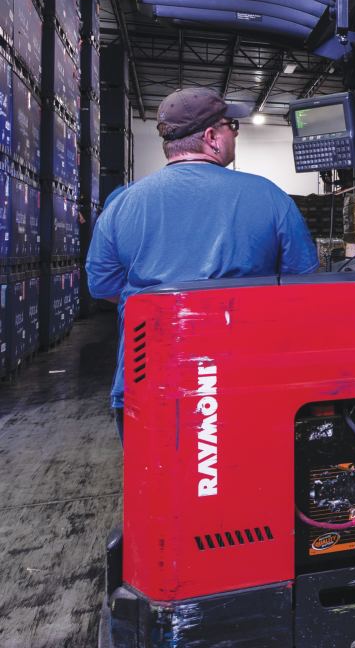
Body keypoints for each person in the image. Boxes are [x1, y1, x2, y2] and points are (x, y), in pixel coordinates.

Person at [86, 87, 318, 443]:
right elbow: (303, 281)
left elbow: (103, 287)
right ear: (211, 137)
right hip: (246, 379)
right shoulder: (268, 196)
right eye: (231, 126)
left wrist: (167, 306)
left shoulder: (122, 203)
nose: (234, 134)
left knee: (159, 491)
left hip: (148, 379)